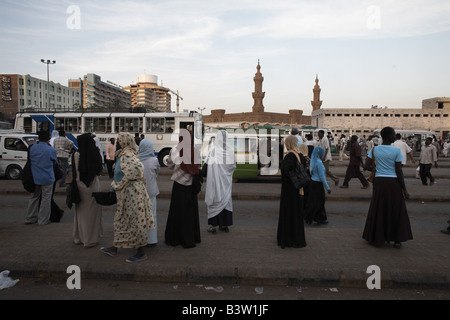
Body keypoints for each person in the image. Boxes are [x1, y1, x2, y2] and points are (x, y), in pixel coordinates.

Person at [100, 132, 154, 262]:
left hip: (132, 194)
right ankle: (114, 248)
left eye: (119, 141)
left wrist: (119, 184)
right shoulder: (122, 155)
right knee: (122, 221)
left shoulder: (128, 155)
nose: (117, 143)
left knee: (135, 222)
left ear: (125, 142)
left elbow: (136, 170)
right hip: (125, 194)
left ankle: (141, 252)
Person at [362, 127, 413, 248]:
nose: (395, 137)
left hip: (379, 182)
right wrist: (404, 189)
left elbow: (366, 166)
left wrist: (378, 169)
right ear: (389, 137)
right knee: (396, 210)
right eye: (393, 135)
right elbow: (398, 171)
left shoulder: (375, 150)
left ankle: (377, 238)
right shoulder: (396, 151)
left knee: (378, 208)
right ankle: (396, 239)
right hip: (393, 182)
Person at [165, 130, 201, 248]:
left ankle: (175, 239)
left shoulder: (175, 150)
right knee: (190, 214)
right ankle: (191, 239)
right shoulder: (194, 150)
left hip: (179, 185)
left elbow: (170, 165)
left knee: (177, 212)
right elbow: (197, 167)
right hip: (190, 186)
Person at [72, 133, 104, 248]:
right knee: (92, 213)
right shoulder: (94, 152)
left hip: (79, 185)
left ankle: (79, 237)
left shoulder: (76, 154)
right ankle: (90, 239)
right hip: (93, 185)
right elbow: (99, 169)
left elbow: (74, 172)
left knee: (81, 213)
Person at [277, 135, 307, 249]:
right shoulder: (299, 155)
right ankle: (297, 238)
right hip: (298, 189)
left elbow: (285, 169)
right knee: (296, 214)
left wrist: (289, 179)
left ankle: (288, 239)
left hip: (289, 190)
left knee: (289, 213)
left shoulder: (290, 155)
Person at [204, 130, 236, 234]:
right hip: (226, 183)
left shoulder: (213, 151)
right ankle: (225, 225)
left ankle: (213, 227)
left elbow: (206, 167)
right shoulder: (230, 151)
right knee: (226, 202)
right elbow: (233, 167)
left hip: (216, 183)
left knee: (216, 201)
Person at [25, 131, 58, 226]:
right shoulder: (51, 150)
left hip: (35, 176)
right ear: (48, 139)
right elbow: (55, 162)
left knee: (34, 197)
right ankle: (43, 220)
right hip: (47, 177)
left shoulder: (32, 148)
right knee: (46, 198)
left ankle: (30, 218)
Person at [139, 138, 160, 246]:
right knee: (152, 215)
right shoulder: (154, 160)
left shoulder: (136, 160)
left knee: (140, 216)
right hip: (151, 190)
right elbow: (157, 172)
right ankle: (152, 239)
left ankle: (141, 239)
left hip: (139, 192)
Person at [304, 147, 331, 225]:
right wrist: (328, 188)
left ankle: (312, 217)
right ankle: (319, 218)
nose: (323, 155)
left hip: (313, 183)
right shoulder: (319, 163)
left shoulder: (313, 161)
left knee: (313, 202)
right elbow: (322, 177)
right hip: (318, 184)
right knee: (320, 202)